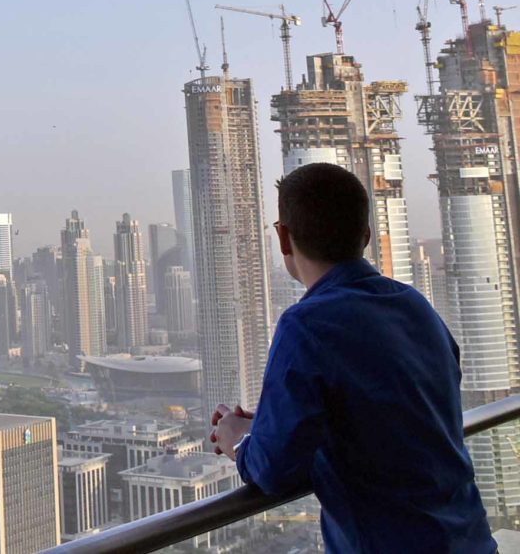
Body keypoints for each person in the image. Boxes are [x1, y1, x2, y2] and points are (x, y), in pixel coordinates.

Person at [208, 162, 494, 552]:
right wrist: (277, 422)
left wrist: (238, 440)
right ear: (366, 235)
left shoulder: (305, 325)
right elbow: (398, 415)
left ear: (283, 238)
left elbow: (273, 470)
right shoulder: (414, 306)